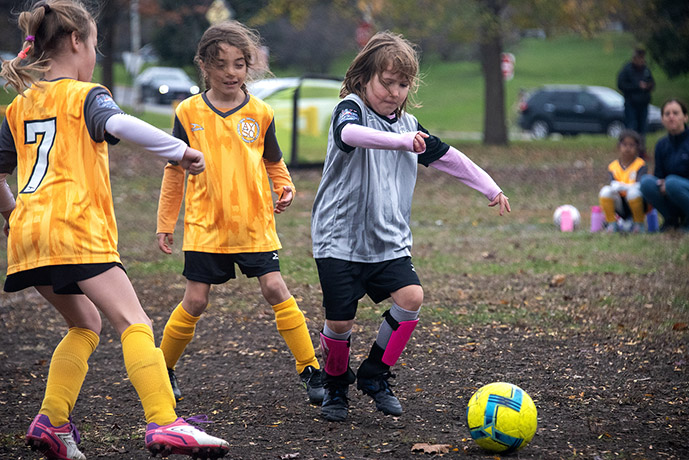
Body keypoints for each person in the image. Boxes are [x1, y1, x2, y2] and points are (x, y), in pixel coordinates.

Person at [0, 1, 230, 459]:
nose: (95, 56)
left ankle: (52, 421)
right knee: (135, 322)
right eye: (95, 45)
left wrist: (12, 217)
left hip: (29, 237)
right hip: (77, 229)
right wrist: (179, 151)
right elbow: (119, 123)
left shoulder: (19, 106)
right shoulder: (86, 96)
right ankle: (165, 421)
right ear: (76, 42)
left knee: (85, 324)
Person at [311, 31, 511, 422]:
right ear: (364, 78)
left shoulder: (409, 125)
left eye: (403, 85)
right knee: (340, 321)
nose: (395, 93)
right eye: (387, 82)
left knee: (411, 297)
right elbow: (349, 135)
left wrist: (490, 187)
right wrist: (401, 142)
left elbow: (448, 156)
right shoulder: (350, 109)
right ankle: (335, 385)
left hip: (388, 240)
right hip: (339, 239)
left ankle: (375, 375)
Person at [156, 20, 324, 406]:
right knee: (196, 301)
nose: (231, 73)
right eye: (221, 64)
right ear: (203, 65)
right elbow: (174, 170)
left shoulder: (261, 113)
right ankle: (162, 368)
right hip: (205, 225)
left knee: (275, 288)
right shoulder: (188, 112)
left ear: (249, 66)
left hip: (253, 224)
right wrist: (166, 222)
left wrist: (285, 187)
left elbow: (274, 161)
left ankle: (310, 368)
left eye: (239, 64)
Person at [640, 99, 689, 232]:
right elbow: (659, 175)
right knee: (646, 182)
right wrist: (664, 183)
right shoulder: (661, 145)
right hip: (669, 189)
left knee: (672, 182)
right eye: (667, 114)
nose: (671, 117)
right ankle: (671, 220)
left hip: (683, 188)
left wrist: (671, 184)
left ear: (685, 117)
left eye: (675, 113)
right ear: (662, 119)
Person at [598, 130, 648, 233]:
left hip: (636, 201)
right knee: (605, 191)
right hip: (620, 203)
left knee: (633, 192)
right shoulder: (613, 166)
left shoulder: (640, 164)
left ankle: (638, 223)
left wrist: (624, 187)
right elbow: (613, 184)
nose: (627, 148)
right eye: (624, 144)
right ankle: (611, 224)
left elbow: (639, 185)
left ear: (637, 147)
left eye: (631, 145)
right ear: (619, 146)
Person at [617, 48, 655, 153]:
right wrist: (637, 86)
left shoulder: (646, 70)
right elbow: (621, 84)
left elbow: (652, 83)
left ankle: (641, 151)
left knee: (643, 128)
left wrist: (647, 86)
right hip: (631, 104)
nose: (641, 61)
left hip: (643, 104)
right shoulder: (627, 70)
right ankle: (629, 150)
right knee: (631, 127)